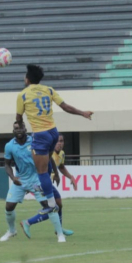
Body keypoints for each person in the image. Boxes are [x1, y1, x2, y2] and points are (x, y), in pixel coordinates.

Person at [16, 64, 93, 215]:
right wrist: (82, 112)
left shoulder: (23, 95)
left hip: (40, 134)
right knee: (48, 160)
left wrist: (20, 125)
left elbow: (18, 118)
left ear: (27, 79)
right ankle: (47, 188)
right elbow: (65, 107)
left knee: (42, 172)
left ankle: (50, 204)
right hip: (53, 132)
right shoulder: (49, 90)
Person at [2, 122, 65, 242]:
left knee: (49, 206)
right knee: (9, 206)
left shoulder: (34, 141)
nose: (19, 130)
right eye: (16, 128)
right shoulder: (9, 146)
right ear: (13, 130)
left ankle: (60, 234)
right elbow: (7, 164)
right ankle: (11, 231)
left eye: (21, 127)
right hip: (20, 180)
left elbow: (48, 157)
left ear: (25, 129)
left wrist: (56, 173)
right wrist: (12, 177)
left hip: (36, 179)